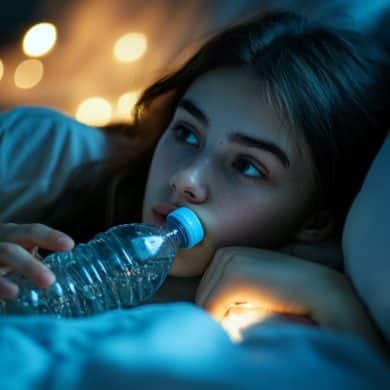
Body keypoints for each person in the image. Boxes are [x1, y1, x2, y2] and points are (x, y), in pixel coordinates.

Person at [0, 11, 388, 354]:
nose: (185, 179)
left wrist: (334, 300)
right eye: (187, 133)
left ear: (314, 220)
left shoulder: (282, 329)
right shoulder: (43, 154)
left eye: (247, 166)